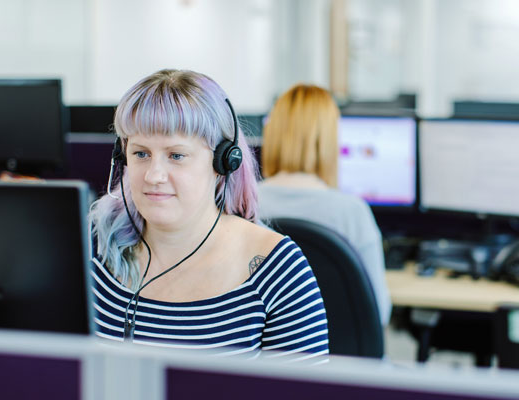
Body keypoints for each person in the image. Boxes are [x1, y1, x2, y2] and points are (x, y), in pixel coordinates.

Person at [89, 69, 328, 360]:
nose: (153, 175)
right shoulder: (92, 247)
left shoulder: (275, 269)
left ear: (222, 162)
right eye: (141, 154)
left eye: (176, 155)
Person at [258, 84, 392, 327]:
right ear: (330, 140)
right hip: (342, 362)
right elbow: (378, 314)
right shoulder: (351, 212)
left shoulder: (242, 203)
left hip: (271, 361)